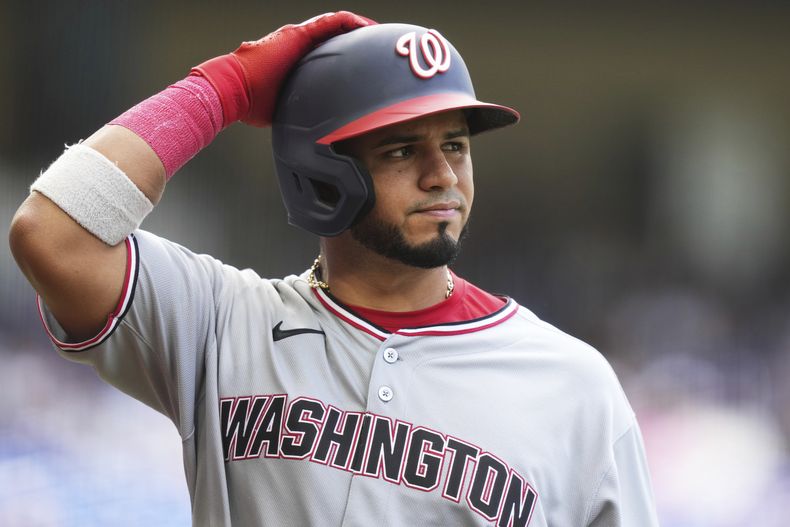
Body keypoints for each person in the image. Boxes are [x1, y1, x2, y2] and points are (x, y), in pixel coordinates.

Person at [9, 11, 659, 527]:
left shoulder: (574, 385)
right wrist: (223, 89)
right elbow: (52, 232)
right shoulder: (220, 323)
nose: (443, 175)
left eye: (456, 145)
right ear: (321, 176)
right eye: (404, 149)